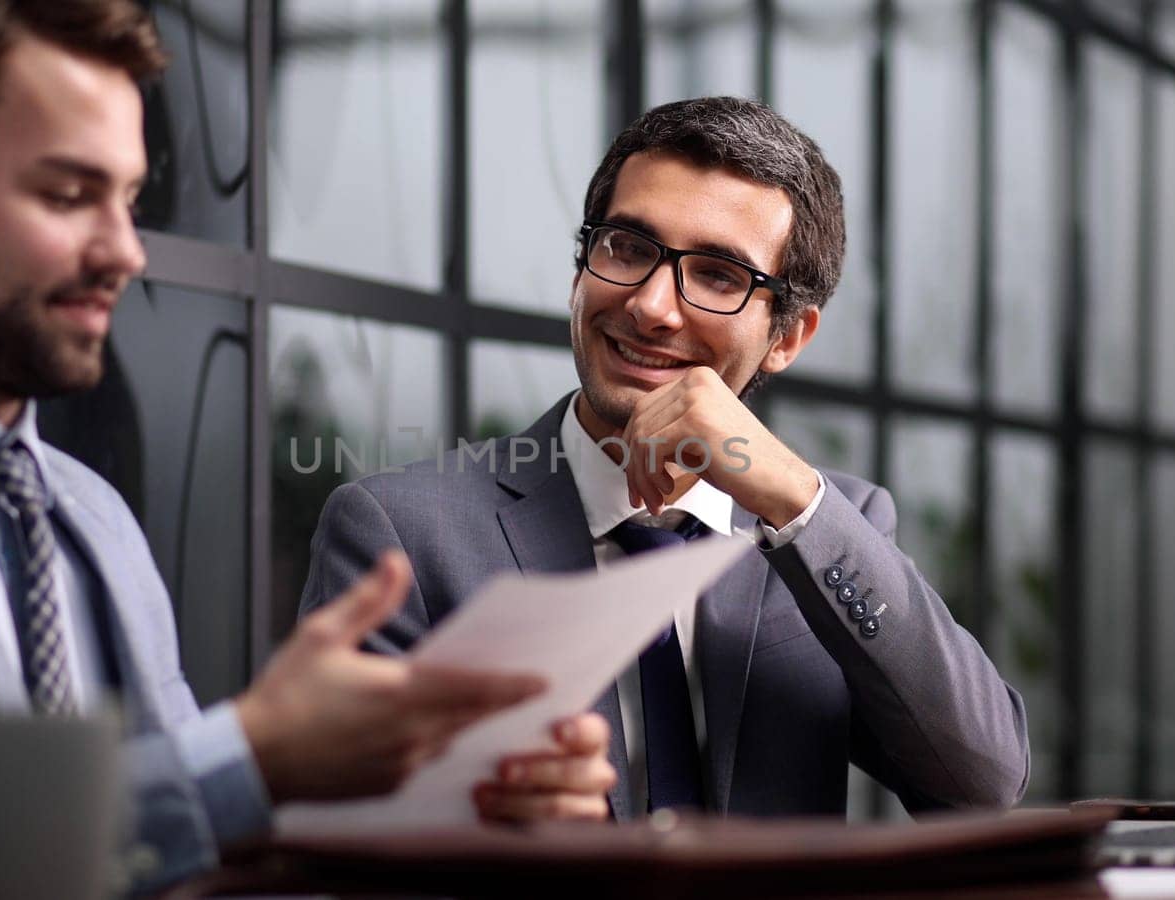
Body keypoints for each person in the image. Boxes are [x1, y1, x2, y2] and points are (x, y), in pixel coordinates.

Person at [0, 2, 611, 898]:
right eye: (68, 195)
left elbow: (177, 852)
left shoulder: (90, 515)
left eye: (130, 200)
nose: (125, 252)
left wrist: (445, 806)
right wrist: (251, 755)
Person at [300, 97, 1030, 821]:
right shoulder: (402, 532)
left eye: (717, 275)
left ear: (788, 338)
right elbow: (341, 833)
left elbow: (981, 781)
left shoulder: (834, 527)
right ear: (581, 266)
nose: (652, 306)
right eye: (627, 247)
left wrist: (793, 501)